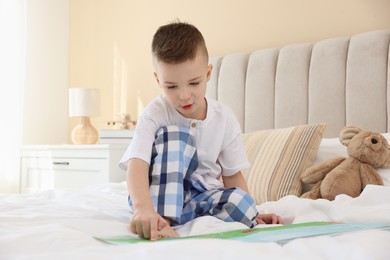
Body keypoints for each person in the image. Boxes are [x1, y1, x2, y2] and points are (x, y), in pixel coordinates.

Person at [119, 21, 283, 241]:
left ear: (208, 74)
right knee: (177, 137)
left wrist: (254, 214)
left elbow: (232, 174)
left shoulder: (224, 118)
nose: (184, 95)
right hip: (158, 193)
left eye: (194, 83)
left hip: (203, 197)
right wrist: (142, 208)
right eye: (171, 86)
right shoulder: (155, 114)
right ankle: (161, 221)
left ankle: (185, 218)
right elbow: (137, 163)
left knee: (243, 204)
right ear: (158, 80)